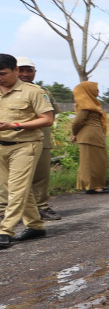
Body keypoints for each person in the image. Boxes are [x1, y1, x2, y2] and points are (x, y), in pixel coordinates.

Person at [0, 53, 55, 248]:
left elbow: (47, 119)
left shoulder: (34, 92)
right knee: (13, 188)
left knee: (16, 189)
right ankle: (35, 226)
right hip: (2, 146)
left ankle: (5, 230)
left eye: (3, 73)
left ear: (15, 70)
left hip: (26, 145)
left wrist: (15, 125)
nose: (0, 78)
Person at [15, 58, 59, 221]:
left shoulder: (42, 91)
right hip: (12, 140)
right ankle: (5, 210)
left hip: (41, 139)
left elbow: (52, 114)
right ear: (13, 71)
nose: (25, 74)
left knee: (41, 176)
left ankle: (41, 207)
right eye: (21, 70)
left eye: (30, 70)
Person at [70, 81, 109, 193]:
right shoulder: (86, 106)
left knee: (99, 161)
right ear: (88, 91)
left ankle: (97, 185)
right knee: (90, 163)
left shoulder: (91, 104)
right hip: (89, 137)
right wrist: (74, 133)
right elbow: (77, 122)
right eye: (96, 89)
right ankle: (93, 186)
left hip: (93, 137)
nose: (98, 91)